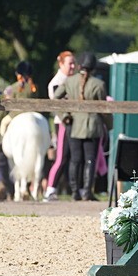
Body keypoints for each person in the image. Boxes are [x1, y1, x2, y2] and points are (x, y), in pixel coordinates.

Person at [52, 51, 111, 201]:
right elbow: (104, 109)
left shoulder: (69, 81)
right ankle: (87, 192)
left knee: (75, 160)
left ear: (79, 66)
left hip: (73, 125)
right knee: (90, 160)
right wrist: (109, 125)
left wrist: (64, 115)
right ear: (94, 68)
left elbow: (55, 99)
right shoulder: (99, 84)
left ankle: (74, 192)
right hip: (93, 126)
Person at [44, 50, 76, 200]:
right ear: (61, 64)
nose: (73, 66)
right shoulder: (57, 82)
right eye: (70, 63)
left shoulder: (70, 79)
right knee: (61, 157)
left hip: (73, 122)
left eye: (74, 63)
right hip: (62, 122)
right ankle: (50, 188)